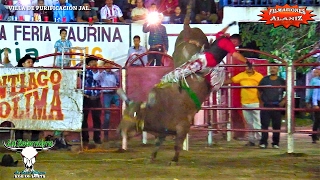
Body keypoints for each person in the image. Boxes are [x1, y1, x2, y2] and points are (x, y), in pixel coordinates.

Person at [224, 64, 264, 146]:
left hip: (256, 102)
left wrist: (262, 101)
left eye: (250, 66)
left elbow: (263, 88)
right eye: (247, 66)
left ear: (254, 67)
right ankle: (252, 140)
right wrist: (218, 82)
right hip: (245, 102)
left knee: (257, 122)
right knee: (249, 123)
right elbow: (231, 80)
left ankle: (260, 140)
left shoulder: (259, 76)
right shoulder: (242, 75)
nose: (248, 68)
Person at [258, 63, 286, 149]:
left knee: (276, 125)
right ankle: (263, 142)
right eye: (271, 68)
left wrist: (284, 101)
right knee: (264, 125)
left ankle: (275, 143)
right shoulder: (264, 80)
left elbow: (289, 91)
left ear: (278, 70)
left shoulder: (281, 81)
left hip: (277, 106)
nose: (273, 69)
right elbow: (259, 91)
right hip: (266, 105)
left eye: (275, 68)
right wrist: (260, 102)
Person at [93, 60, 120, 142]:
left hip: (114, 93)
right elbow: (95, 78)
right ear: (104, 65)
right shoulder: (102, 74)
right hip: (106, 94)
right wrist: (101, 71)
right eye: (107, 64)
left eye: (109, 64)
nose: (108, 66)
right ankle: (106, 135)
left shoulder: (114, 74)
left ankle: (122, 133)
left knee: (122, 108)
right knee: (107, 115)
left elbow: (118, 83)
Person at [80, 57, 102, 144]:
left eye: (95, 62)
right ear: (88, 64)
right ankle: (85, 138)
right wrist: (81, 63)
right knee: (84, 119)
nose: (94, 63)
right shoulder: (84, 71)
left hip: (96, 97)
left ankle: (97, 138)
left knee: (97, 119)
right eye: (92, 62)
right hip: (87, 97)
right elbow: (75, 70)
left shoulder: (100, 72)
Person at [311, 73, 320, 144]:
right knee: (317, 120)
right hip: (318, 102)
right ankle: (314, 136)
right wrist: (315, 104)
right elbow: (315, 93)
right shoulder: (316, 81)